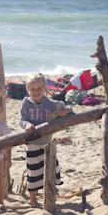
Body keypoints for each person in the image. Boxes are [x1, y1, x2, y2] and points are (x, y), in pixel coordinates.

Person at [20, 73, 71, 207]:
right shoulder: (26, 103)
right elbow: (22, 119)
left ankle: (50, 193)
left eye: (39, 88)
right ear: (28, 90)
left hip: (47, 142)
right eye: (32, 89)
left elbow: (65, 108)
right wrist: (27, 125)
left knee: (53, 168)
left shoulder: (49, 103)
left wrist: (64, 111)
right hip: (32, 143)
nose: (36, 92)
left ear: (45, 88)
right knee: (33, 172)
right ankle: (33, 200)